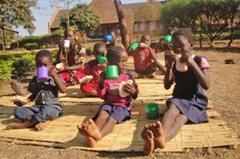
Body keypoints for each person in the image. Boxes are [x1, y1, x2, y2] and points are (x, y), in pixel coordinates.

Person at [141, 29, 211, 155]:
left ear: (191, 44)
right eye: (175, 46)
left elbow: (206, 85)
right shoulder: (174, 63)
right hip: (179, 98)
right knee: (172, 108)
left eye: (181, 46)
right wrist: (169, 66)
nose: (178, 50)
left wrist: (192, 63)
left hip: (195, 100)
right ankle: (160, 137)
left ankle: (159, 141)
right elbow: (167, 86)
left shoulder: (200, 60)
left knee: (181, 119)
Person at [78, 46, 139, 147]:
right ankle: (92, 133)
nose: (124, 63)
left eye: (125, 61)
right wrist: (101, 83)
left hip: (123, 106)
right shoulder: (105, 77)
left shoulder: (128, 76)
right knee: (103, 115)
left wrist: (133, 91)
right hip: (109, 103)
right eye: (121, 61)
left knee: (112, 119)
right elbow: (103, 96)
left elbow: (135, 95)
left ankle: (97, 137)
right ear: (111, 64)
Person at [7, 50, 66, 131]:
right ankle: (41, 121)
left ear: (51, 65)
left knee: (47, 111)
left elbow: (64, 90)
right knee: (18, 111)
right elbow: (34, 94)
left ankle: (25, 124)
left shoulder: (56, 77)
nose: (42, 67)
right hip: (38, 107)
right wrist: (24, 101)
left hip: (53, 107)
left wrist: (54, 75)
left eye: (45, 65)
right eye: (39, 65)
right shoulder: (35, 80)